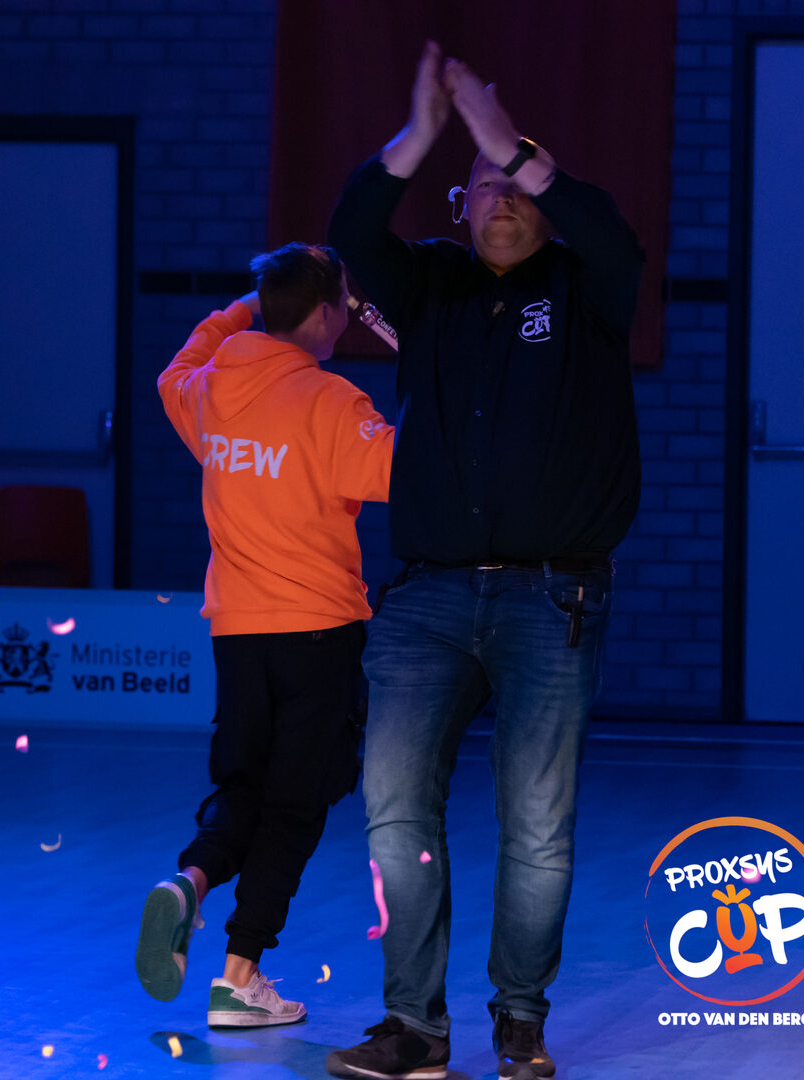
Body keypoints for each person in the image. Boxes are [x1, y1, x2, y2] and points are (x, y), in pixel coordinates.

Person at [324, 41, 642, 1080]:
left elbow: (615, 236)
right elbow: (352, 232)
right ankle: (413, 1026)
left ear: (544, 203)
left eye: (518, 183)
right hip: (426, 599)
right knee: (394, 810)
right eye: (485, 185)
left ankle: (520, 1019)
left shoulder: (587, 287)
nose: (502, 197)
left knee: (537, 822)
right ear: (461, 209)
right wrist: (423, 135)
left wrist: (508, 142)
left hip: (553, 597)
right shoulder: (431, 285)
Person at [138, 242, 395, 1028]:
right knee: (296, 805)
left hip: (238, 633)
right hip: (318, 631)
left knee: (242, 788)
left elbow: (174, 370)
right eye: (342, 302)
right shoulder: (333, 402)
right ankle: (239, 976)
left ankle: (191, 879)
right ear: (322, 313)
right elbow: (400, 472)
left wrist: (246, 307)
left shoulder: (212, 391)